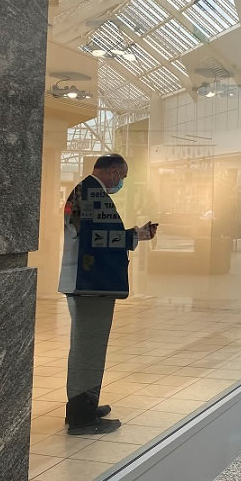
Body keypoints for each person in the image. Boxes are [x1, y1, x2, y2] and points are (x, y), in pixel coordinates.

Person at [59, 154, 157, 435]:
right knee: (89, 349)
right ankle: (82, 417)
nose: (121, 182)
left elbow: (94, 234)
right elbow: (98, 239)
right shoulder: (92, 193)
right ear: (113, 172)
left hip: (83, 282)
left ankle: (82, 406)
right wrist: (135, 236)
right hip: (90, 285)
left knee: (83, 348)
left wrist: (132, 235)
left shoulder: (83, 190)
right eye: (122, 176)